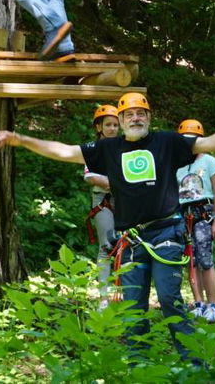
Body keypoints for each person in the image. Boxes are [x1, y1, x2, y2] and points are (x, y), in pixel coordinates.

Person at [0, 92, 215, 360]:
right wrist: (21, 139)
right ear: (121, 120)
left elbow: (207, 143)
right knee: (133, 305)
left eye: (140, 113)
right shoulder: (108, 148)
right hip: (133, 239)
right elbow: (65, 152)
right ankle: (138, 363)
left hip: (166, 233)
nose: (135, 118)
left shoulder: (167, 142)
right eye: (129, 114)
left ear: (149, 117)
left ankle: (194, 361)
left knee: (169, 298)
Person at [175, 119, 215, 321]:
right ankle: (198, 302)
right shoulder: (177, 164)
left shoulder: (209, 161)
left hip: (203, 212)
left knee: (205, 259)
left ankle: (212, 304)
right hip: (183, 213)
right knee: (191, 259)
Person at [83, 104, 121, 293]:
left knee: (128, 244)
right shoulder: (94, 149)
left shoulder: (126, 147)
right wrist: (115, 183)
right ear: (99, 127)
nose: (112, 129)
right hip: (103, 200)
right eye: (108, 125)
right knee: (106, 246)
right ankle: (103, 297)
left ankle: (127, 293)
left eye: (115, 125)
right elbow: (90, 176)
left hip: (125, 201)